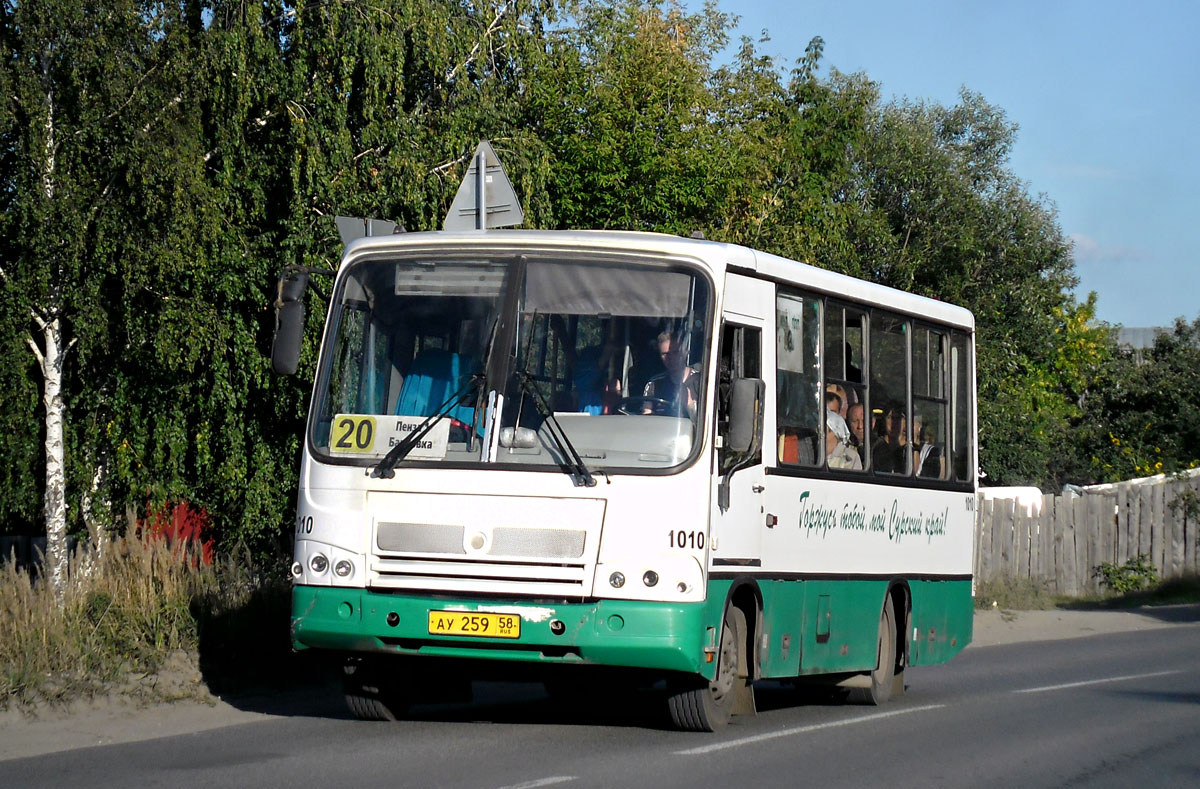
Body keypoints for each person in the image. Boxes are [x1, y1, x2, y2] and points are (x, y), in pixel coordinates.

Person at [642, 331, 698, 418]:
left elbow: (707, 423)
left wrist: (690, 404)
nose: (671, 358)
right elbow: (645, 417)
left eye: (675, 352)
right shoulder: (654, 384)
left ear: (685, 352)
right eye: (665, 354)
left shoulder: (701, 382)